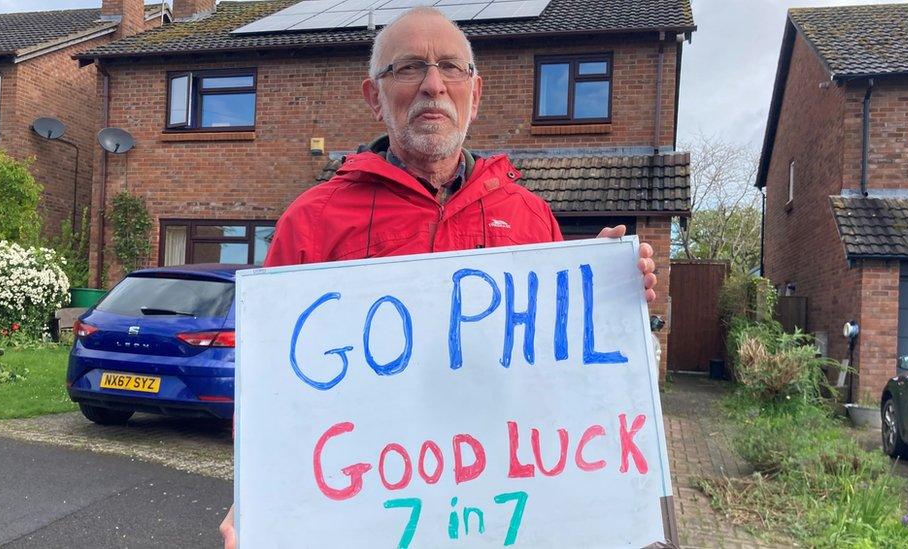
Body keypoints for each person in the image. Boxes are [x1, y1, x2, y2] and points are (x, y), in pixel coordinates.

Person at [220, 7, 657, 547]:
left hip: (504, 513)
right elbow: (267, 381)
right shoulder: (313, 219)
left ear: (476, 92)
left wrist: (603, 287)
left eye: (450, 67)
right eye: (407, 68)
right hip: (365, 511)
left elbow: (556, 374)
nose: (432, 85)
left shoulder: (530, 215)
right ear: (372, 97)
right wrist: (258, 494)